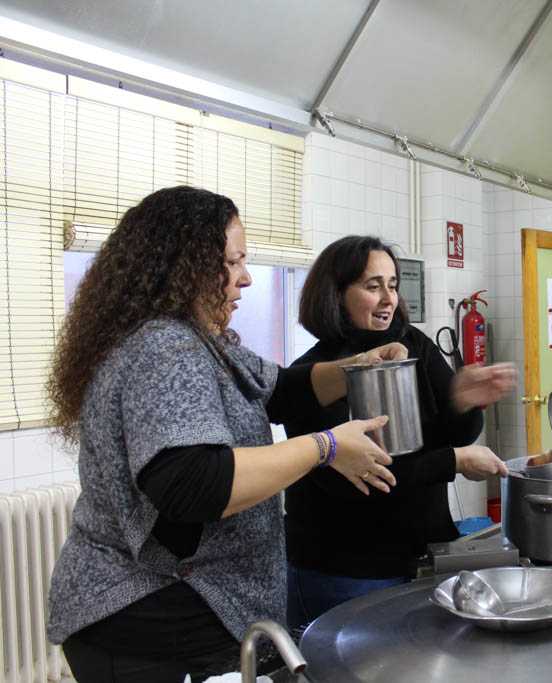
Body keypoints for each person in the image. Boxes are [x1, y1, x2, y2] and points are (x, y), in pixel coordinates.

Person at [46, 186, 406, 682]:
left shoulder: (203, 342)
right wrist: (325, 447)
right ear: (185, 267)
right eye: (232, 262)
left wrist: (357, 367)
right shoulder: (164, 348)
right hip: (138, 619)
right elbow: (195, 484)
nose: (246, 277)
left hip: (171, 611)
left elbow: (283, 390)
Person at [281, 235, 516, 630]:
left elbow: (455, 434)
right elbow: (358, 477)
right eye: (373, 286)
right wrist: (453, 462)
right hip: (346, 570)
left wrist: (463, 402)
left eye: (392, 285)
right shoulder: (314, 377)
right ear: (336, 294)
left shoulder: (413, 344)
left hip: (422, 556)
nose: (388, 298)